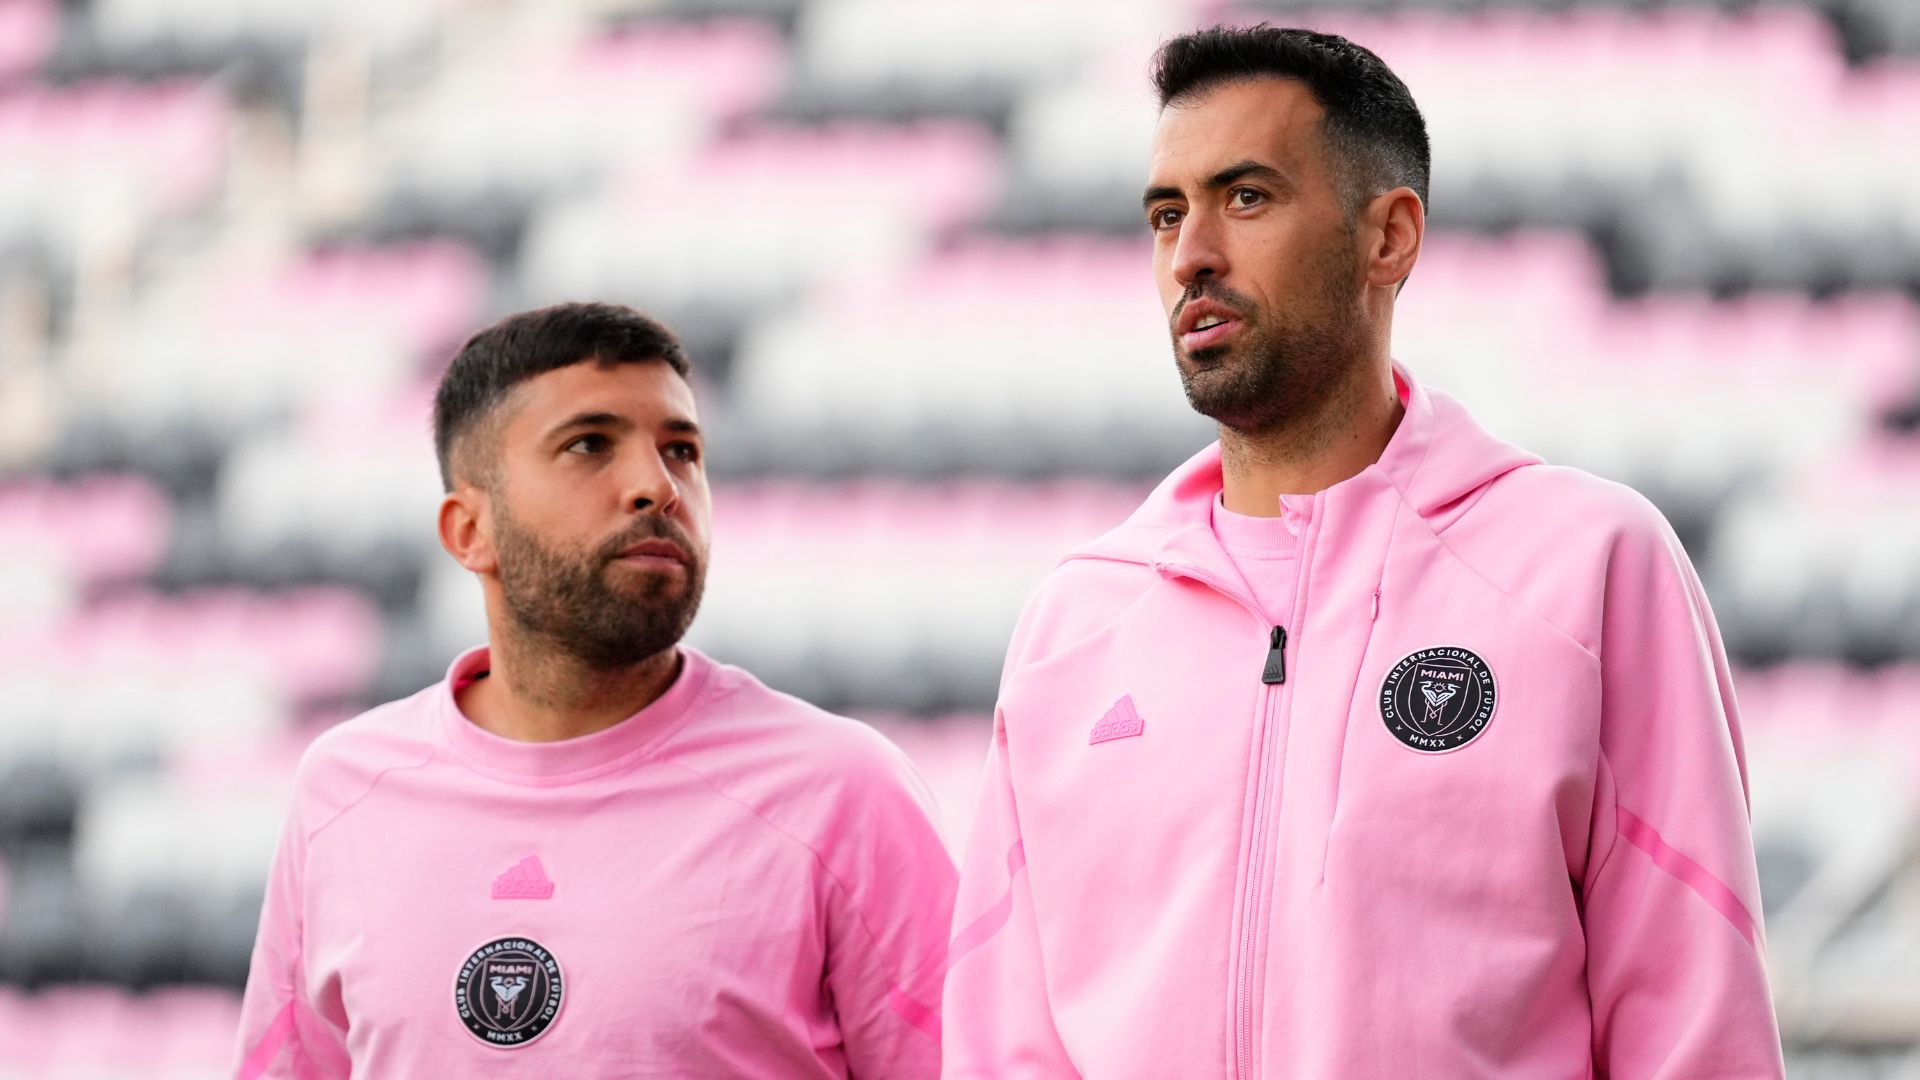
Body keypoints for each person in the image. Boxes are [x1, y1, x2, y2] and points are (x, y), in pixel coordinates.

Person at [941, 25, 1783, 1079]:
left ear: (1388, 236)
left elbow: (1694, 1027)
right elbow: (1003, 1044)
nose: (1191, 254)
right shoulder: (1076, 624)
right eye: (1167, 213)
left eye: (1245, 198)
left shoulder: (1587, 569)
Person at [233, 302, 956, 1078]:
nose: (657, 486)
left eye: (682, 451)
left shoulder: (842, 792)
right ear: (469, 531)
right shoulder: (343, 792)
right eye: (589, 446)